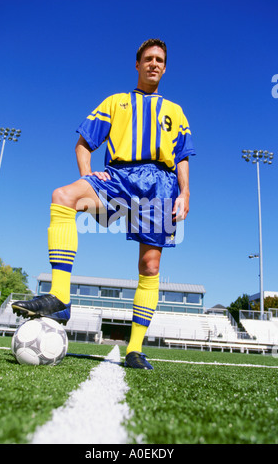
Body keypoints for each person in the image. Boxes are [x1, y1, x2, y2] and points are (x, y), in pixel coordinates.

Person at [12, 39, 195, 369]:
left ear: (165, 68)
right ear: (137, 65)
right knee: (64, 196)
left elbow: (181, 156)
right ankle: (61, 298)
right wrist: (88, 175)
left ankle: (135, 349)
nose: (154, 64)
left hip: (159, 184)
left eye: (160, 60)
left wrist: (185, 193)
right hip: (119, 177)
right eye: (148, 59)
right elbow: (83, 143)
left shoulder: (175, 111)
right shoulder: (115, 102)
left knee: (150, 267)